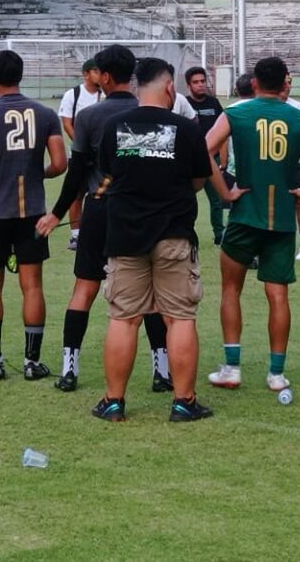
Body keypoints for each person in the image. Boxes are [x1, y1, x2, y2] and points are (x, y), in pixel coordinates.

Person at [206, 56, 300, 395]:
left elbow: (203, 149)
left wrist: (226, 191)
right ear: (285, 82)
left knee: (230, 290)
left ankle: (232, 368)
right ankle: (276, 374)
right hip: (282, 219)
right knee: (278, 294)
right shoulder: (299, 117)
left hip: (244, 215)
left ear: (254, 82)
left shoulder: (236, 113)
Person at [91, 58, 216, 423]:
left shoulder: (114, 125)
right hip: (173, 234)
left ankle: (114, 401)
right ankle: (183, 402)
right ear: (169, 87)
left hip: (125, 235)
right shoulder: (187, 128)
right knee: (179, 318)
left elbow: (110, 173)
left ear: (135, 87)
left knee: (124, 318)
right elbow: (198, 180)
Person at [42, 44, 172, 394]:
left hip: (100, 208)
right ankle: (163, 370)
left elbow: (76, 172)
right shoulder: (150, 111)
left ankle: (70, 368)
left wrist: (56, 214)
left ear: (105, 76)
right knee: (149, 293)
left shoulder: (90, 117)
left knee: (84, 288)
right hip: (143, 212)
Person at [0, 50, 65, 382]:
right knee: (32, 285)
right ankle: (31, 361)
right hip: (33, 212)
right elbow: (60, 163)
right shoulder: (45, 113)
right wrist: (39, 175)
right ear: (20, 75)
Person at [179, 67, 227, 245]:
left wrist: (223, 158)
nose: (200, 85)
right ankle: (186, 231)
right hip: (189, 160)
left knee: (217, 199)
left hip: (211, 159)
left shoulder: (214, 103)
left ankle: (219, 234)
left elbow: (224, 133)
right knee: (187, 197)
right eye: (196, 82)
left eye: (202, 81)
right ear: (188, 85)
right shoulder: (183, 103)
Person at [57, 59, 103, 248]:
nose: (100, 75)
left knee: (101, 194)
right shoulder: (73, 94)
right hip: (79, 155)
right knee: (76, 194)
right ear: (86, 74)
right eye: (95, 71)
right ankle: (76, 235)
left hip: (101, 156)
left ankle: (98, 232)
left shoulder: (105, 94)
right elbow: (67, 123)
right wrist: (82, 145)